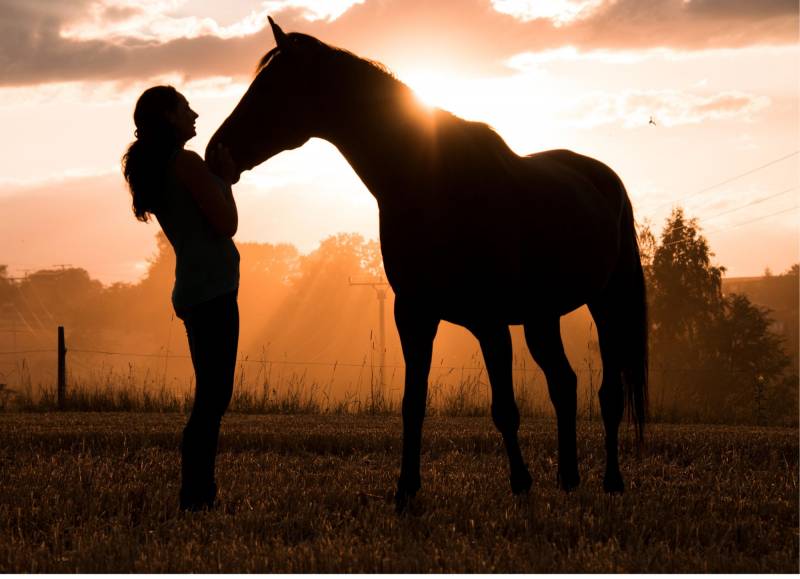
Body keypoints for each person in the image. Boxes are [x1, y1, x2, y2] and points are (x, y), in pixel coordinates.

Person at [122, 85, 240, 511]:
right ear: (170, 117)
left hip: (195, 289)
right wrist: (226, 180)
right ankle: (196, 494)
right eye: (185, 107)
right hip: (212, 290)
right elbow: (226, 224)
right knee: (213, 398)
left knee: (211, 395)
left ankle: (198, 492)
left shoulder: (167, 166)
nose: (194, 113)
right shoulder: (187, 164)